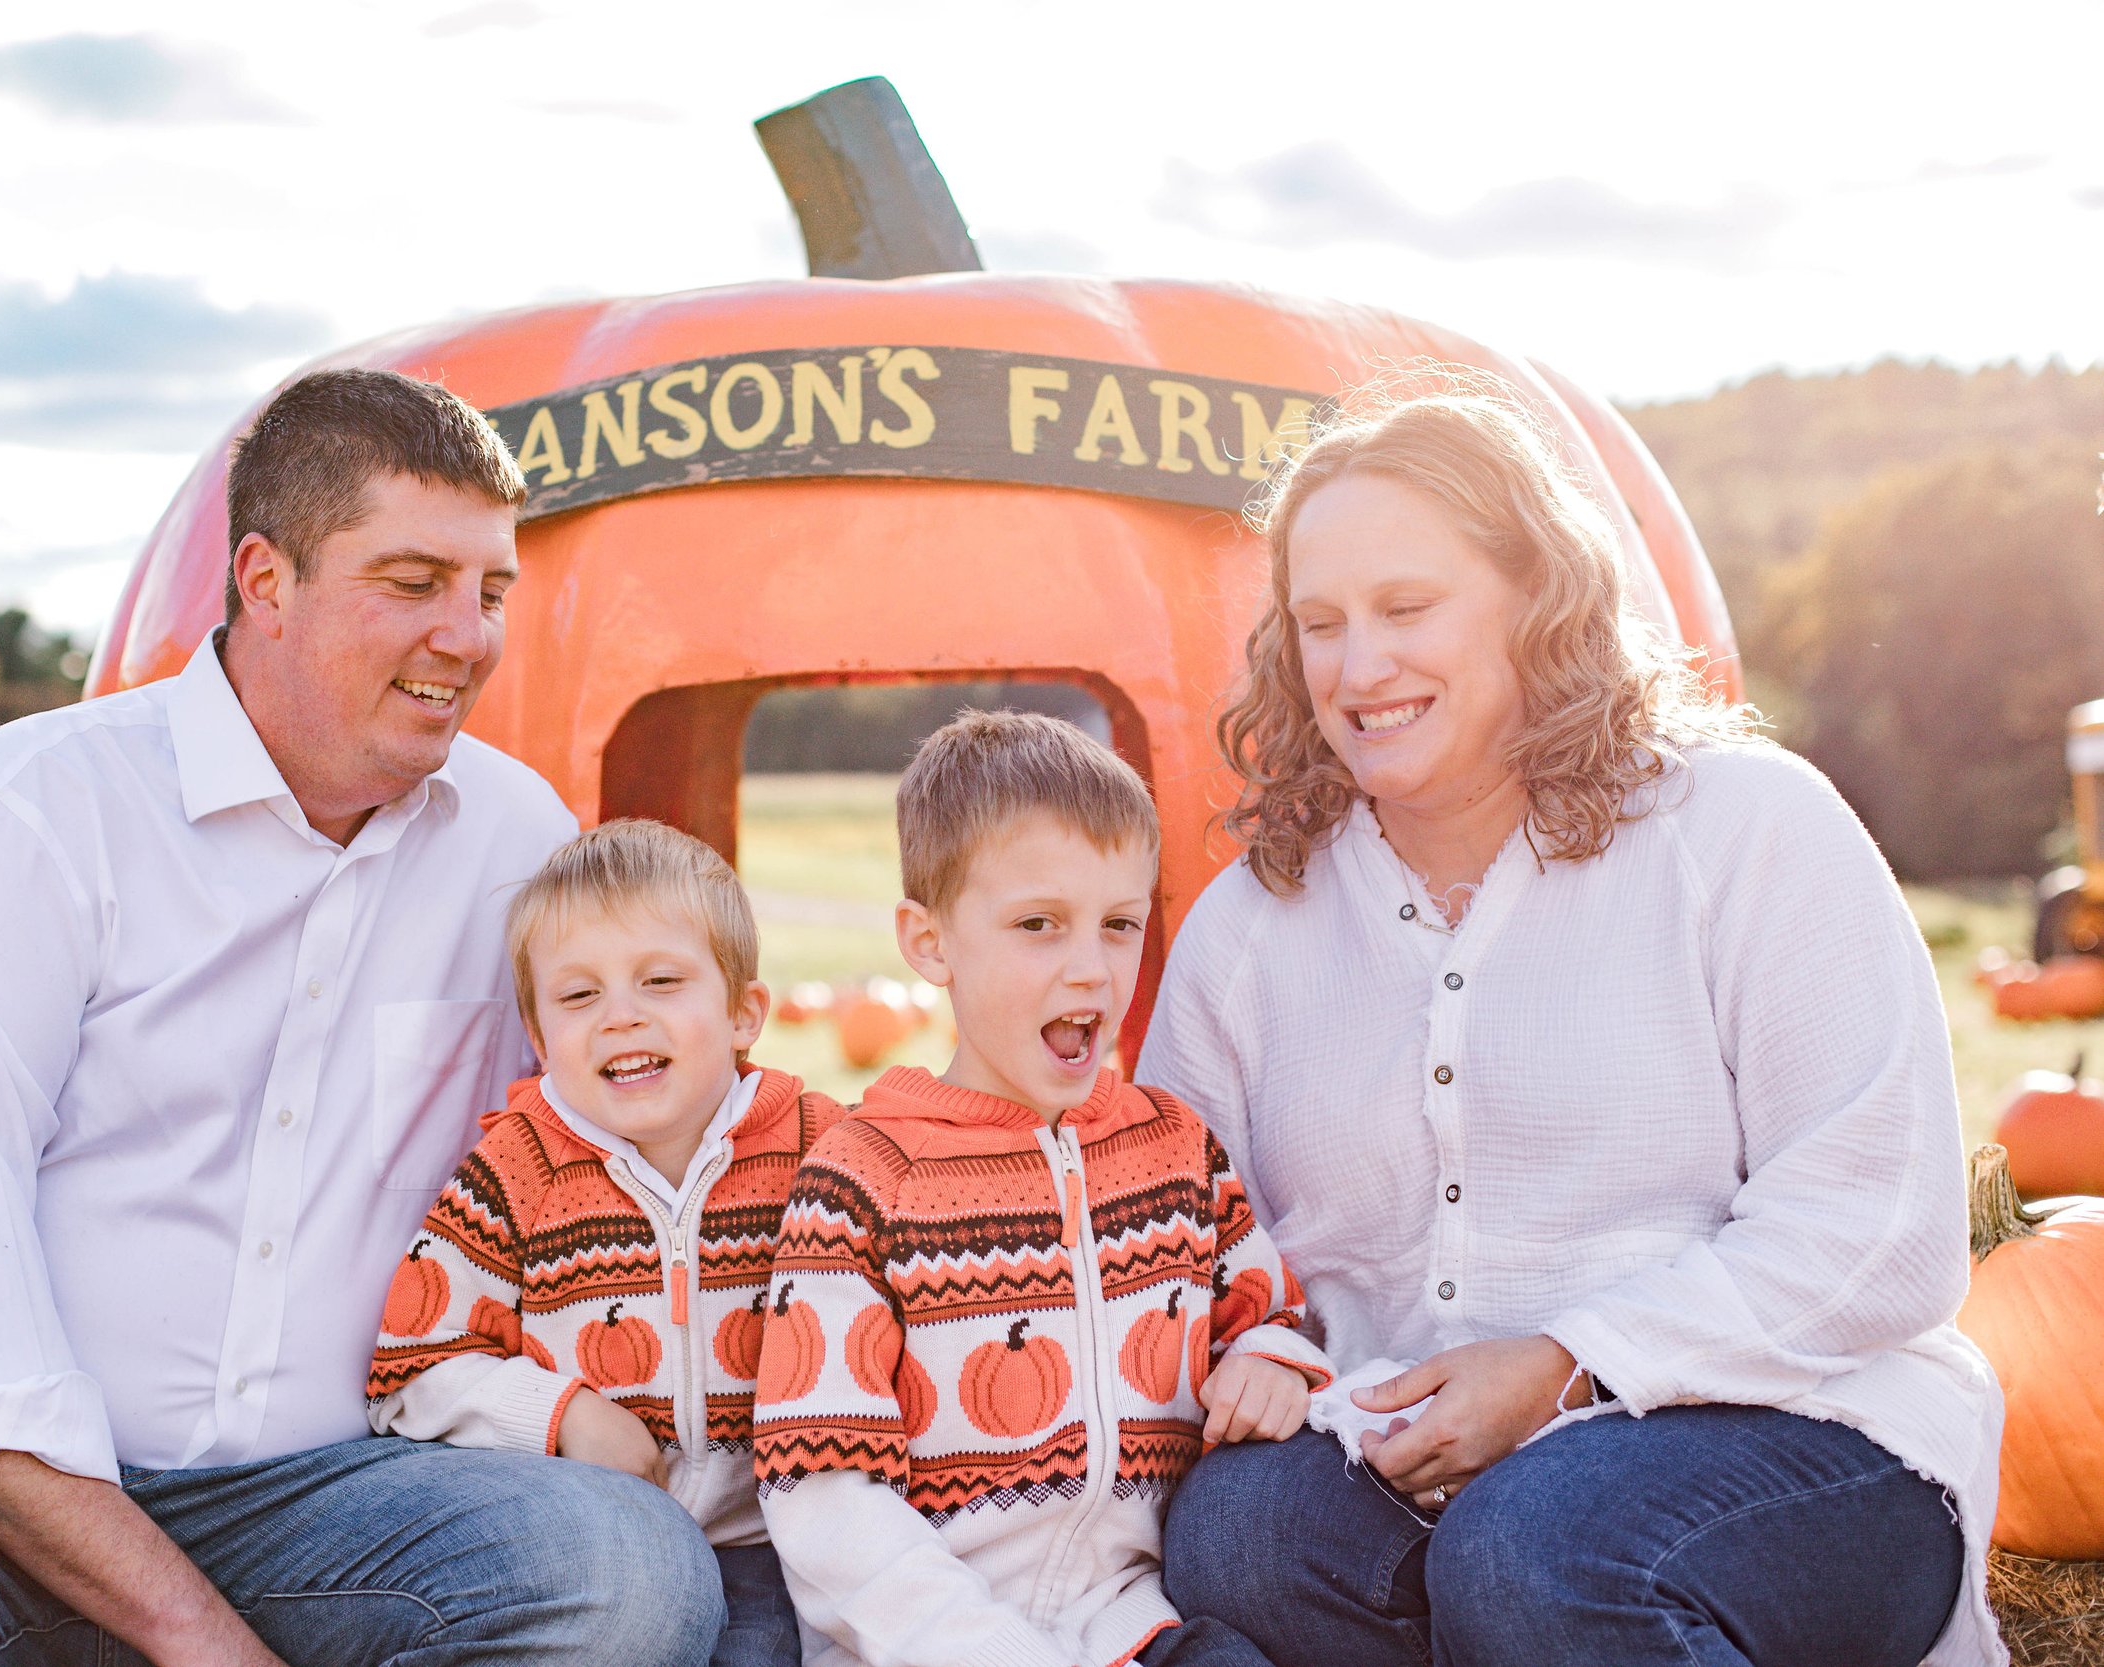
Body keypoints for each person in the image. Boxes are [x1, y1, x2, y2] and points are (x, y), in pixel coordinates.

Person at [0, 369, 726, 1667]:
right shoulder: (29, 814)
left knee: (627, 1574)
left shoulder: (518, 842)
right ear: (265, 579)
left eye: (492, 590)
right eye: (414, 581)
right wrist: (207, 1645)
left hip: (314, 1494)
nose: (471, 634)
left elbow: (604, 1164)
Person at [1139, 383, 2005, 1667]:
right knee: (1239, 1539)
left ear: (1534, 596)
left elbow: (1877, 1230)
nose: (1356, 665)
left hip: (1796, 1436)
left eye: (1406, 607)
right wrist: (1262, 1343)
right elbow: (1173, 1236)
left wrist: (1566, 1364)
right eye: (1319, 623)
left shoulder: (1743, 829)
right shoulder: (1250, 924)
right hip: (1402, 1472)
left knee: (1540, 1549)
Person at [752, 710, 1333, 1667]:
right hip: (926, 1640)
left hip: (1131, 1622)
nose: (1089, 967)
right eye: (1037, 925)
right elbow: (821, 1493)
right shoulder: (864, 1181)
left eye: (1118, 926)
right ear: (929, 943)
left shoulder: (1171, 1146)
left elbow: (1269, 1304)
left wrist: (1270, 1358)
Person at [367, 817, 845, 1667]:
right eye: (580, 996)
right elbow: (410, 1371)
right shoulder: (518, 1169)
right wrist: (561, 1414)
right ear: (542, 1037)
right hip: (592, 1550)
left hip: (775, 1556)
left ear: (744, 1012)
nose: (620, 1017)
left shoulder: (821, 1151)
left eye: (660, 981)